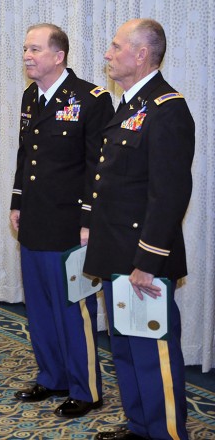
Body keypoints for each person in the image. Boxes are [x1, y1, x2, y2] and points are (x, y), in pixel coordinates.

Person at [84, 19, 195, 440]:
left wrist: (148, 261)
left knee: (154, 355)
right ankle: (140, 427)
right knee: (126, 350)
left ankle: (167, 433)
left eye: (115, 47)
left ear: (141, 55)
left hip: (143, 259)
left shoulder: (167, 109)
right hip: (116, 252)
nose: (108, 55)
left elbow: (169, 195)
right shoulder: (131, 104)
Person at [9, 24, 114, 418]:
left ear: (59, 55)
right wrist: (16, 202)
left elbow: (97, 167)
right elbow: (25, 155)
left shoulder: (91, 98)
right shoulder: (30, 96)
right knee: (39, 307)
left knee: (75, 310)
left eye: (35, 49)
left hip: (71, 225)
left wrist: (89, 220)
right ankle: (51, 376)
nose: (27, 56)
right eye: (25, 49)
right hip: (34, 220)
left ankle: (86, 390)